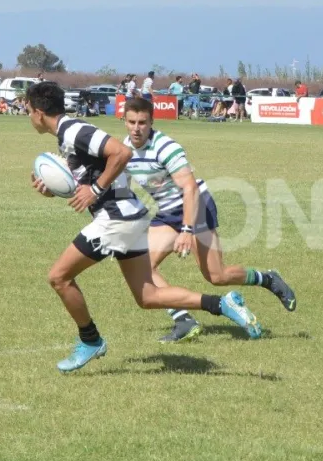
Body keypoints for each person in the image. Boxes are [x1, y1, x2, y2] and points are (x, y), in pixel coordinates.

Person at [25, 82, 261, 372]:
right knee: (148, 297)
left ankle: (90, 340)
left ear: (37, 112)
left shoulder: (74, 130)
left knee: (59, 278)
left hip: (115, 220)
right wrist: (52, 189)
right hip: (130, 217)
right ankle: (221, 304)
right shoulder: (68, 135)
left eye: (27, 111)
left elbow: (120, 155)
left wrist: (96, 190)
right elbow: (85, 181)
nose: (28, 117)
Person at [121, 98, 297, 341]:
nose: (136, 128)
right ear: (124, 121)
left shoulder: (165, 147)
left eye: (142, 122)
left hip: (196, 206)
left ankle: (267, 278)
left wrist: (186, 229)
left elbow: (190, 188)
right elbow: (117, 185)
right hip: (167, 212)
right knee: (143, 269)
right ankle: (183, 320)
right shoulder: (124, 150)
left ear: (152, 121)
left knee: (216, 276)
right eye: (131, 122)